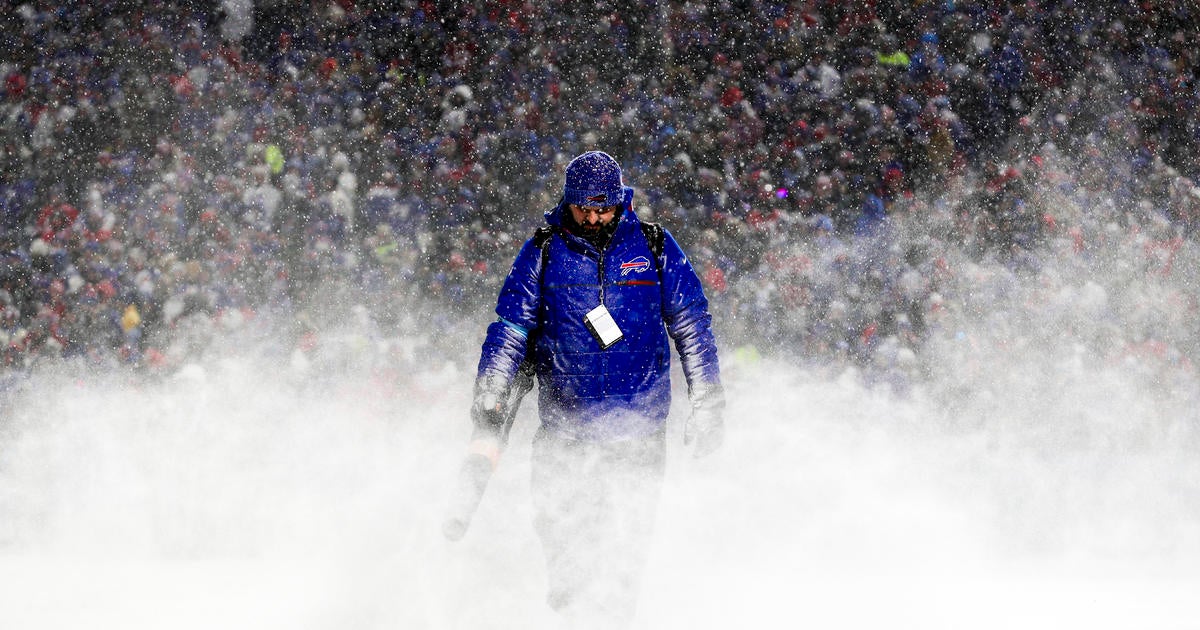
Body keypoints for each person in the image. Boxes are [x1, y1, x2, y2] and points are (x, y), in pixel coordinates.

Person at [470, 150, 725, 628]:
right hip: (565, 427)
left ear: (620, 200)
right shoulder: (543, 250)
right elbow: (510, 328)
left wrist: (708, 402)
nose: (592, 217)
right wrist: (491, 391)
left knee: (626, 545)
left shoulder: (654, 245)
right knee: (559, 530)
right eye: (582, 207)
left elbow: (692, 325)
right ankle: (570, 606)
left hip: (639, 430)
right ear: (567, 201)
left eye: (602, 206)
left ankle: (615, 617)